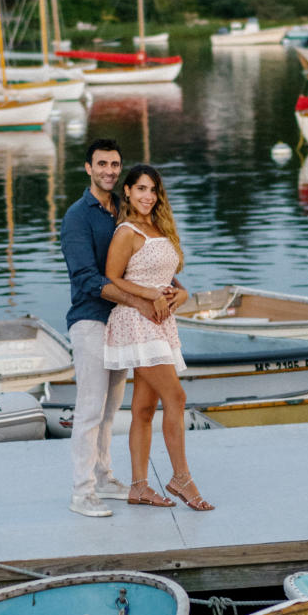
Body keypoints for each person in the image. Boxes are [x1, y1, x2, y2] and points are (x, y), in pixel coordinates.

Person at [60, 139, 163, 518]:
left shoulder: (121, 209)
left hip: (120, 323)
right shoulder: (77, 216)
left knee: (109, 410)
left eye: (115, 164)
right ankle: (81, 492)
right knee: (89, 409)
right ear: (88, 168)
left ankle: (103, 477)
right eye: (101, 164)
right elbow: (86, 278)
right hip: (90, 320)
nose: (109, 170)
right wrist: (139, 301)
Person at [104, 164, 214, 511]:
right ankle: (181, 477)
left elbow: (172, 280)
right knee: (177, 397)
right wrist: (150, 297)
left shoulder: (158, 226)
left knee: (145, 407)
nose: (147, 196)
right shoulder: (126, 231)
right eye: (140, 189)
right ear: (127, 192)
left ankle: (138, 487)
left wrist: (180, 296)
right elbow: (112, 277)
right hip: (136, 321)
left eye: (152, 190)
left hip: (161, 323)